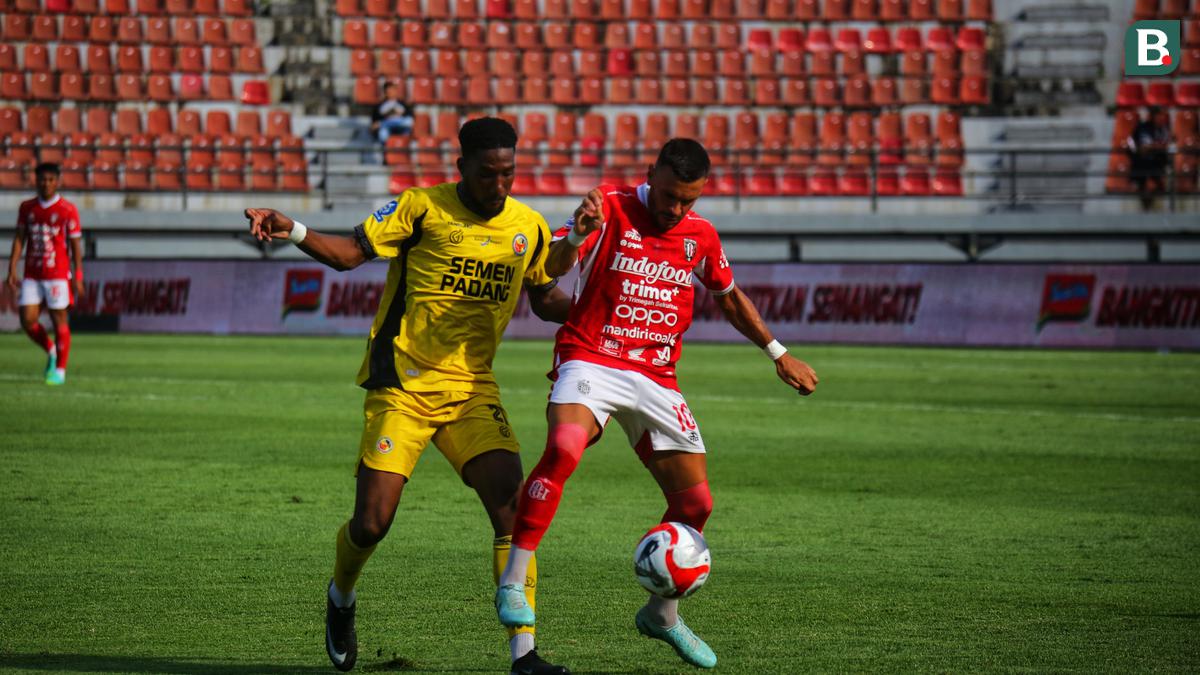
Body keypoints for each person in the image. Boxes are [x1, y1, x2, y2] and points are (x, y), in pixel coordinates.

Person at [244, 118, 572, 675]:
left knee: (512, 511)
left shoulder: (529, 226)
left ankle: (524, 654)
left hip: (472, 390)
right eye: (488, 174)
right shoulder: (420, 208)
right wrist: (293, 228)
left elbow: (544, 298)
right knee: (372, 523)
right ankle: (341, 595)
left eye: (509, 174)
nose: (499, 185)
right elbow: (348, 255)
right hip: (402, 386)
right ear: (462, 167)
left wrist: (600, 312)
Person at [493, 139, 819, 670]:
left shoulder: (701, 235)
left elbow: (730, 298)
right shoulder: (610, 205)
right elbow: (549, 269)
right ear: (650, 175)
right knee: (564, 448)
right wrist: (576, 234)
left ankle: (662, 614)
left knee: (696, 505)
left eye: (688, 200)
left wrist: (778, 353)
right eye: (669, 196)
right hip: (592, 357)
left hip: (656, 375)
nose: (676, 209)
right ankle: (513, 582)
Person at [6, 162, 84, 386]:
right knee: (27, 320)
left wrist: (78, 275)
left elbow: (75, 245)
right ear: (36, 181)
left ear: (57, 182)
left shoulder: (67, 209)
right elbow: (20, 238)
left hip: (57, 274)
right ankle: (51, 349)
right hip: (33, 273)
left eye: (50, 180)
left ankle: (60, 370)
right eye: (42, 179)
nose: (46, 184)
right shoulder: (27, 208)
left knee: (59, 319)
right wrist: (12, 266)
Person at [1126, 107, 1172, 211]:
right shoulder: (1142, 128)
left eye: (1162, 115)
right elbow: (1136, 146)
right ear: (1152, 116)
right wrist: (1153, 147)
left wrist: (1154, 147)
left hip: (1158, 165)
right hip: (1142, 165)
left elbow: (1167, 146)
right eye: (1159, 115)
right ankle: (1142, 191)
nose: (1162, 118)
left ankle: (1153, 192)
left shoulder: (1164, 129)